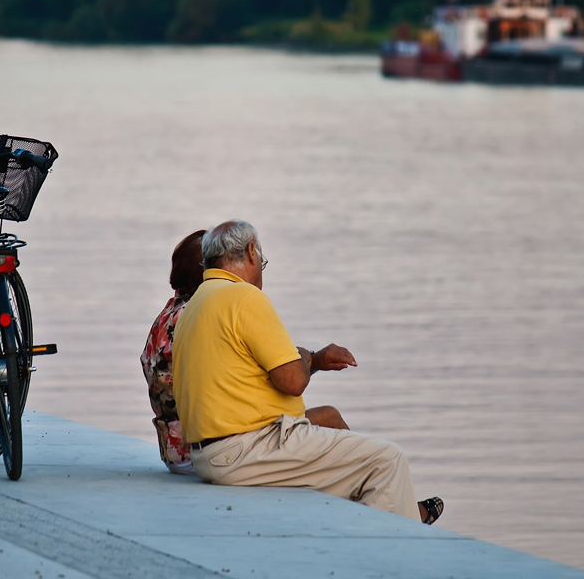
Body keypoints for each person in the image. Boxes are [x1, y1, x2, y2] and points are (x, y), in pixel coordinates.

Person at [172, 220, 443, 523]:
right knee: (387, 459)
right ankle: (391, 548)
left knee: (335, 431)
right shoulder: (245, 297)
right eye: (261, 260)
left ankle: (395, 514)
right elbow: (293, 381)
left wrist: (312, 359)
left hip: (208, 456)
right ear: (251, 252)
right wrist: (306, 357)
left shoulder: (194, 306)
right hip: (248, 449)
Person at [141, 229, 353, 476]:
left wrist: (311, 361)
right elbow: (280, 379)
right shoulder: (203, 313)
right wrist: (307, 359)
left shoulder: (167, 316)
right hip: (209, 449)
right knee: (329, 417)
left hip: (174, 450)